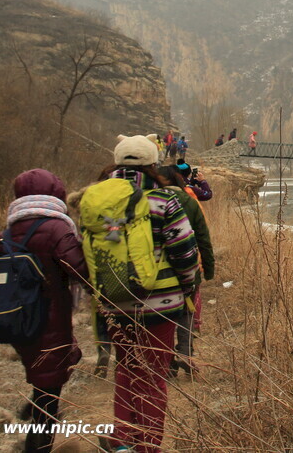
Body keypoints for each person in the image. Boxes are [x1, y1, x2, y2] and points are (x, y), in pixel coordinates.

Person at [0, 169, 87, 453]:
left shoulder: (7, 234)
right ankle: (37, 444)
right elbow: (80, 270)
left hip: (20, 321)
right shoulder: (58, 228)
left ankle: (36, 410)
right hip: (51, 318)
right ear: (55, 193)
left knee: (49, 372)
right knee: (50, 386)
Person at [88, 134, 199, 452]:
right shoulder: (164, 200)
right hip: (160, 307)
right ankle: (147, 446)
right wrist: (187, 288)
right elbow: (185, 253)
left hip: (115, 302)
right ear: (153, 164)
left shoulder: (100, 200)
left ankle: (123, 440)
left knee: (126, 370)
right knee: (153, 378)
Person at [158, 165, 215, 376]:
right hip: (189, 264)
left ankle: (166, 361)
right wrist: (208, 269)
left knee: (162, 315)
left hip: (159, 269)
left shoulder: (147, 200)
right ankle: (185, 351)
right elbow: (203, 236)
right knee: (188, 309)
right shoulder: (189, 200)